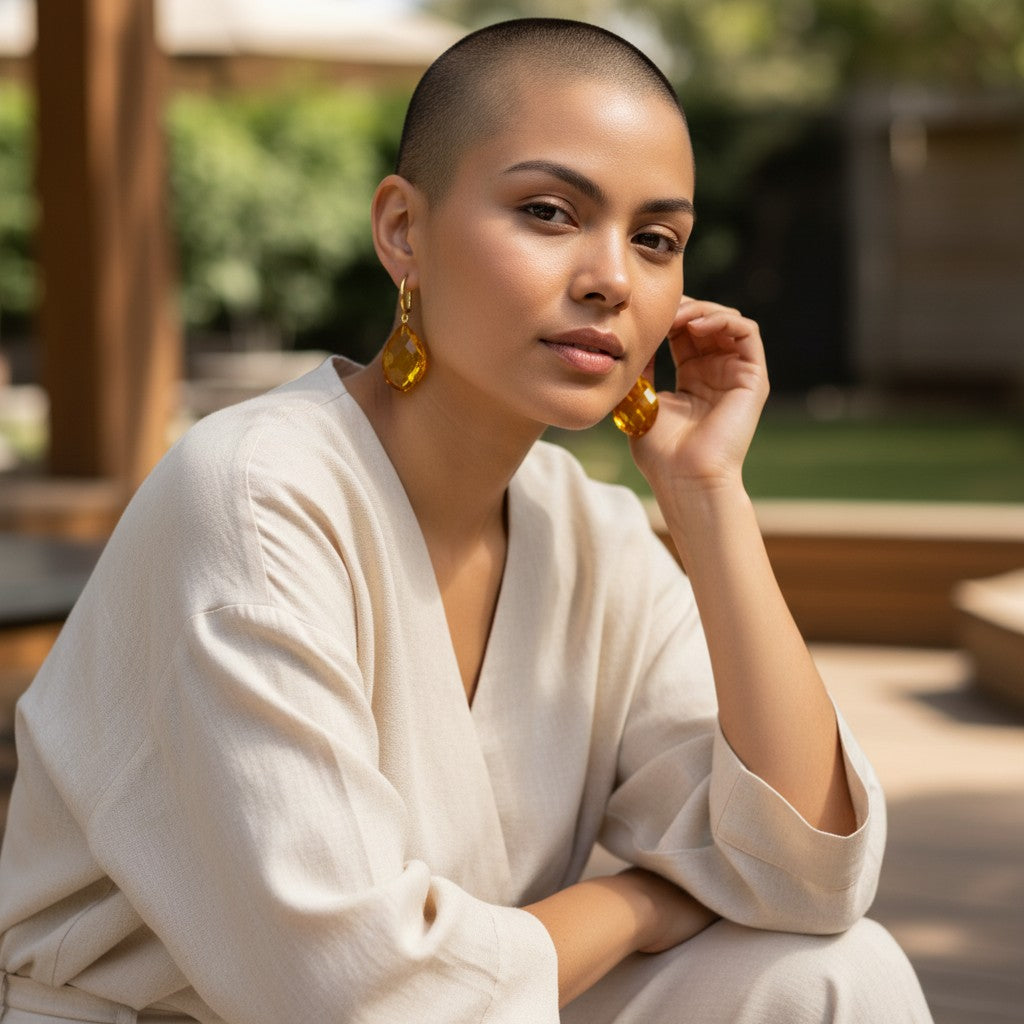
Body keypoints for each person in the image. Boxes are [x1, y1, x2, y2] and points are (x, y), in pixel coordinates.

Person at [0, 17, 933, 1024]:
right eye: (548, 210)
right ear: (404, 229)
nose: (611, 277)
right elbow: (352, 992)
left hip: (468, 1005)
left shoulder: (592, 539)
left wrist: (709, 499)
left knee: (838, 973)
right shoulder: (254, 494)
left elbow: (807, 877)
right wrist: (639, 898)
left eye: (655, 239)